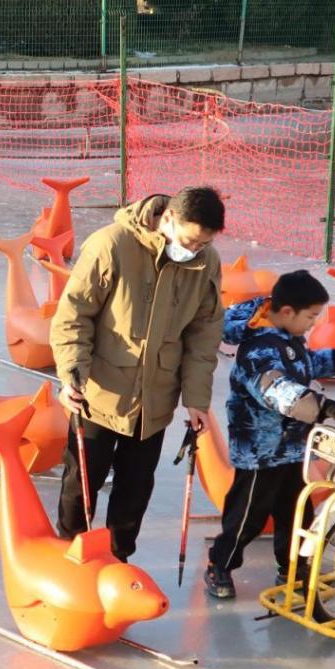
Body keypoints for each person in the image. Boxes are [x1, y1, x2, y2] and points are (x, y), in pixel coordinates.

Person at [49, 186, 226, 561]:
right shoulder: (111, 245)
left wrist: (196, 400)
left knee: (135, 488)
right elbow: (74, 315)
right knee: (81, 481)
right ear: (169, 219)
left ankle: (118, 558)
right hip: (99, 391)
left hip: (156, 398)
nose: (194, 251)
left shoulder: (206, 261)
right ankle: (71, 549)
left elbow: (203, 335)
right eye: (191, 241)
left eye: (204, 244)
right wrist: (70, 374)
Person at [205, 270, 335, 599]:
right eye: (310, 317)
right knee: (247, 516)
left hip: (293, 447)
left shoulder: (287, 338)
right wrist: (321, 407)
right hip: (260, 452)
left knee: (296, 510)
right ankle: (220, 565)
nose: (313, 324)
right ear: (286, 312)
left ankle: (293, 565)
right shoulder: (258, 350)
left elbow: (305, 365)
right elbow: (277, 390)